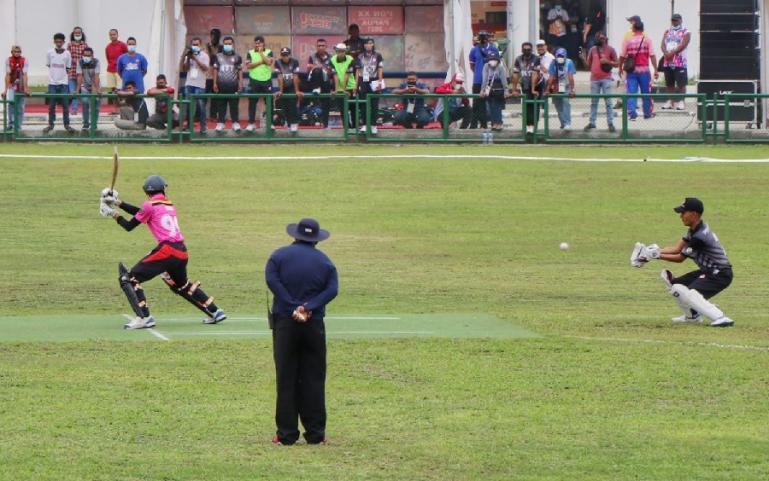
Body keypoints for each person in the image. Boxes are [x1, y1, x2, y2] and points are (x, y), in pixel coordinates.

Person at [99, 176, 227, 329]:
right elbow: (141, 212)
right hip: (181, 251)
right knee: (183, 285)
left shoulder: (149, 205)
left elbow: (129, 225)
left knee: (130, 278)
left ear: (147, 191)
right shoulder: (169, 204)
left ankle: (144, 317)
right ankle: (215, 311)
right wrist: (117, 202)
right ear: (162, 189)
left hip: (167, 251)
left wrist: (112, 213)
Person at [265, 217, 338, 445]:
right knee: (313, 377)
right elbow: (332, 289)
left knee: (286, 376)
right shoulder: (325, 262)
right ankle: (316, 434)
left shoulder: (278, 256)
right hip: (313, 323)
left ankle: (286, 434)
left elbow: (272, 281)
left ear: (295, 235)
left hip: (285, 322)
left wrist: (291, 305)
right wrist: (308, 308)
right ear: (316, 239)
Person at [632, 198, 734, 327]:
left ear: (694, 214)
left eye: (683, 213)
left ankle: (721, 317)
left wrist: (655, 256)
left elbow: (680, 258)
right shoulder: (694, 229)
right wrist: (652, 251)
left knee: (689, 294)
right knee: (675, 285)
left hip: (719, 274)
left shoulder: (699, 237)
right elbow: (676, 248)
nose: (681, 216)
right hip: (709, 271)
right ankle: (692, 316)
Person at [618, 22, 658, 121]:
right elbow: (652, 55)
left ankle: (632, 114)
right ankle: (647, 113)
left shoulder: (628, 41)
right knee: (646, 92)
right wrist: (656, 69)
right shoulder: (647, 40)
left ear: (634, 29)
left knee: (631, 92)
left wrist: (620, 68)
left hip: (631, 71)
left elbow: (622, 56)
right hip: (644, 70)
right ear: (642, 29)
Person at [582, 31, 617, 132]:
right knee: (594, 102)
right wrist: (583, 58)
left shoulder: (611, 50)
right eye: (598, 38)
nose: (600, 39)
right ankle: (592, 122)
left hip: (606, 78)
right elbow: (588, 64)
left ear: (606, 38)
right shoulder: (593, 49)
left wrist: (608, 61)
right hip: (594, 79)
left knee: (608, 102)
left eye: (602, 38)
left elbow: (618, 63)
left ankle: (610, 123)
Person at [43, 33, 74, 134]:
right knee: (51, 106)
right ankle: (51, 124)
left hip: (64, 83)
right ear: (54, 42)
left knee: (65, 105)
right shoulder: (49, 52)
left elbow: (68, 68)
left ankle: (67, 124)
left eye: (60, 41)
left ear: (64, 42)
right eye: (57, 41)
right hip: (52, 83)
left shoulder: (67, 54)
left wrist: (63, 78)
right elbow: (49, 65)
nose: (59, 43)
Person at [352, 38, 384, 135]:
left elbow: (380, 69)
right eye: (366, 43)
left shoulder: (378, 55)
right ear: (364, 45)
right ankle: (365, 125)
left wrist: (380, 82)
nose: (368, 45)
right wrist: (355, 84)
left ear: (373, 44)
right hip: (363, 80)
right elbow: (357, 71)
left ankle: (374, 125)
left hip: (373, 80)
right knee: (363, 104)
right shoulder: (360, 56)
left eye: (370, 43)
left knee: (374, 104)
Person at [660, 13, 691, 111]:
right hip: (667, 61)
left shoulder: (686, 31)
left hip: (680, 62)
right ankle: (670, 101)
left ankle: (681, 101)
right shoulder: (667, 31)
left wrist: (672, 53)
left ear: (681, 20)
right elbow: (662, 44)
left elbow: (683, 44)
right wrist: (665, 53)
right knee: (669, 83)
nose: (674, 22)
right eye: (673, 20)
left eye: (676, 20)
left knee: (681, 83)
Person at [468, 31, 498, 129]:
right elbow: (472, 65)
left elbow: (497, 64)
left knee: (491, 103)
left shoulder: (494, 49)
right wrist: (479, 73)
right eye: (481, 37)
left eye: (484, 37)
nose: (483, 39)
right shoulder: (474, 50)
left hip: (490, 81)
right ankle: (475, 125)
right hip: (478, 81)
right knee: (477, 103)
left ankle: (491, 124)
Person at [212, 36, 243, 133]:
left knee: (234, 105)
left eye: (229, 43)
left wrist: (241, 83)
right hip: (221, 85)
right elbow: (215, 70)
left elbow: (240, 71)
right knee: (221, 105)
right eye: (226, 44)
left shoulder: (238, 57)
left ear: (233, 45)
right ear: (223, 45)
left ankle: (235, 123)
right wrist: (214, 83)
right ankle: (220, 123)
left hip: (233, 85)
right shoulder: (218, 56)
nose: (227, 45)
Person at [511, 42, 542, 134]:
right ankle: (528, 126)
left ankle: (533, 126)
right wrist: (514, 89)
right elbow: (515, 75)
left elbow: (535, 74)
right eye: (525, 49)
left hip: (536, 85)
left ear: (531, 50)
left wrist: (533, 89)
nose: (526, 51)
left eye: (528, 49)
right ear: (522, 50)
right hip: (525, 84)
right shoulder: (518, 59)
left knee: (535, 106)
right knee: (526, 106)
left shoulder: (536, 58)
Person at [180, 37, 209, 134]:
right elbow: (184, 69)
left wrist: (195, 58)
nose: (195, 46)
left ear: (200, 45)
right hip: (189, 84)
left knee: (201, 106)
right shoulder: (189, 56)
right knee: (188, 106)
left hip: (200, 85)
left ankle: (203, 127)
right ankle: (188, 126)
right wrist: (187, 58)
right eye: (193, 45)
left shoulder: (204, 56)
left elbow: (205, 68)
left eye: (197, 44)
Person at [245, 35, 273, 132]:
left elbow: (269, 62)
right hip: (254, 80)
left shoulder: (269, 51)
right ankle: (251, 123)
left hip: (266, 80)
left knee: (269, 103)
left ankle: (270, 123)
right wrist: (261, 61)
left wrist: (261, 53)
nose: (257, 45)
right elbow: (248, 66)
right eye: (256, 43)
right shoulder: (250, 53)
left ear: (263, 43)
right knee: (252, 102)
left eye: (259, 43)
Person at [273, 47, 303, 133]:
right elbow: (279, 77)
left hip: (292, 85)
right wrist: (281, 90)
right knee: (284, 105)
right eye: (283, 55)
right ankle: (288, 123)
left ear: (289, 55)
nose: (285, 57)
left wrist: (296, 90)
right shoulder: (278, 62)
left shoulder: (294, 62)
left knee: (292, 103)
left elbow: (295, 76)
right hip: (284, 86)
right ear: (281, 55)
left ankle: (294, 123)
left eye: (286, 55)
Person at [306, 38, 335, 128]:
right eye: (319, 46)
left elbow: (332, 72)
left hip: (326, 83)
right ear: (316, 47)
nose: (321, 47)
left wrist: (323, 68)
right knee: (317, 70)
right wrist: (318, 67)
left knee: (326, 105)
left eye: (323, 45)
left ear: (326, 47)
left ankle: (325, 125)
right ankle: (316, 88)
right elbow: (308, 69)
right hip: (314, 83)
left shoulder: (331, 57)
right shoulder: (312, 57)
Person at [546, 48, 576, 131]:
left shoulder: (569, 62)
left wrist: (572, 89)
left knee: (566, 103)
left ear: (565, 56)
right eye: (558, 56)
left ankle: (567, 123)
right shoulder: (553, 63)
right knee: (558, 105)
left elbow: (571, 77)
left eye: (562, 56)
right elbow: (551, 77)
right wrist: (548, 89)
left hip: (566, 85)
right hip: (556, 86)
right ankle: (563, 122)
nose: (560, 58)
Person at [480, 52, 510, 132]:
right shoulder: (486, 67)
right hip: (489, 90)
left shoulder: (500, 67)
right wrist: (482, 90)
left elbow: (504, 80)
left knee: (497, 107)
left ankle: (499, 123)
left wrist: (506, 90)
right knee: (491, 107)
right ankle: (493, 123)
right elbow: (484, 79)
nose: (493, 61)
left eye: (494, 59)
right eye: (491, 59)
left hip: (499, 90)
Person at [331, 43, 356, 130]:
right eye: (339, 51)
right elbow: (335, 75)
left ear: (345, 51)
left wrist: (345, 89)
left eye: (343, 51)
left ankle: (355, 129)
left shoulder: (350, 59)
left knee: (353, 109)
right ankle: (347, 130)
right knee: (343, 111)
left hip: (351, 87)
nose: (341, 53)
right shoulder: (333, 59)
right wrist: (337, 89)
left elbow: (347, 75)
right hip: (340, 89)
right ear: (336, 51)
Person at [3, 45, 29, 131]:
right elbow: (7, 75)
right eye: (15, 51)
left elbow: (25, 75)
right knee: (11, 104)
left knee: (20, 106)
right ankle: (10, 124)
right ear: (12, 52)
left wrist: (26, 88)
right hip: (11, 86)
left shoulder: (24, 60)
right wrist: (5, 90)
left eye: (19, 52)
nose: (17, 53)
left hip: (20, 86)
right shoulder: (8, 60)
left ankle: (18, 126)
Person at [75, 46, 101, 131]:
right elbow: (79, 76)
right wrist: (77, 89)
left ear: (92, 55)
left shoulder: (96, 62)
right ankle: (86, 123)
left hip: (95, 84)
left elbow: (96, 76)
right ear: (82, 55)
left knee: (95, 104)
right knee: (85, 102)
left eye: (89, 55)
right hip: (85, 85)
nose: (87, 57)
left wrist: (97, 89)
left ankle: (94, 124)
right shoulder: (80, 62)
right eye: (85, 55)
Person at [66, 27, 88, 115]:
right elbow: (67, 57)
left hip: (83, 71)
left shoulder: (85, 45)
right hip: (72, 71)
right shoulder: (69, 45)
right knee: (73, 91)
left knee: (84, 91)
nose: (77, 35)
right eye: (76, 33)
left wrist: (80, 62)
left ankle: (85, 109)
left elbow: (87, 56)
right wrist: (74, 61)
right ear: (73, 34)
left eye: (79, 33)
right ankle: (74, 109)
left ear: (82, 34)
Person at [206, 28, 223, 121]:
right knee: (203, 97)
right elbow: (207, 59)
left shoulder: (221, 48)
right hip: (207, 76)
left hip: (217, 76)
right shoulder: (207, 46)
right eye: (211, 35)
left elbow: (218, 60)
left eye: (215, 35)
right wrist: (209, 49)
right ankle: (198, 116)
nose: (213, 37)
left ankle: (213, 116)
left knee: (215, 98)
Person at [104, 29, 127, 96]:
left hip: (120, 70)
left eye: (114, 34)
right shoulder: (107, 47)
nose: (112, 36)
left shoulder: (122, 45)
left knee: (120, 89)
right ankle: (115, 105)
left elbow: (126, 56)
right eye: (111, 35)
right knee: (112, 90)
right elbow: (108, 59)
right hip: (110, 70)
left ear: (117, 35)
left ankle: (121, 105)